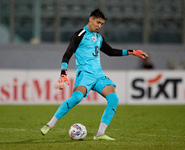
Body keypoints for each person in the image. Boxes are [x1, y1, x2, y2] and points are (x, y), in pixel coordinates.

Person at [40, 9, 148, 140]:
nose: (99, 26)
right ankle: (49, 124)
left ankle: (100, 134)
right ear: (90, 19)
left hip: (99, 75)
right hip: (84, 75)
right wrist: (63, 74)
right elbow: (67, 55)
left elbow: (110, 52)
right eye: (98, 22)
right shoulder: (79, 35)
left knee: (114, 99)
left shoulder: (99, 38)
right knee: (77, 98)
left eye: (102, 24)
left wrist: (132, 52)